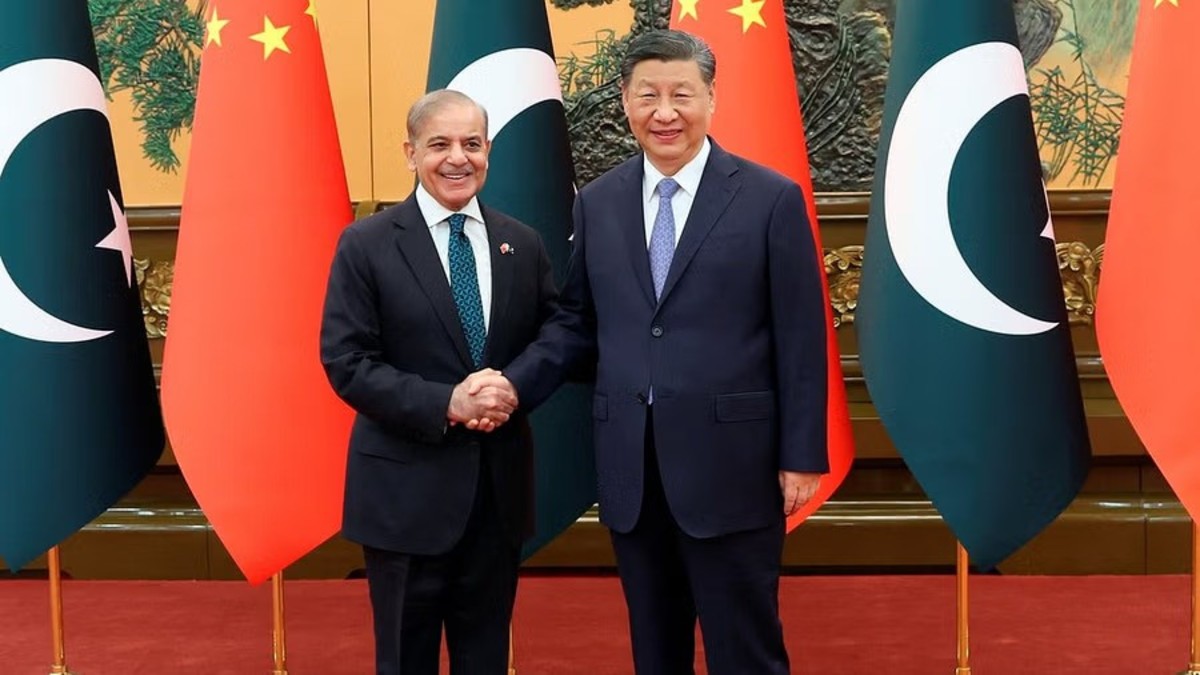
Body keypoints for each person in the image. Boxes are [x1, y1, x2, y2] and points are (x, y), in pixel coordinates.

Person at [469, 30, 830, 674]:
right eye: (648, 96)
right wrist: (514, 384)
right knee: (655, 650)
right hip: (633, 469)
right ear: (626, 104)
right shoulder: (600, 201)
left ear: (711, 99)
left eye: (681, 95)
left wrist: (802, 456)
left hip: (735, 467)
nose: (665, 112)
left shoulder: (770, 198)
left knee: (744, 647)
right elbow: (578, 323)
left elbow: (801, 337)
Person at [319, 89, 557, 675]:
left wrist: (510, 389)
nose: (458, 158)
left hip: (496, 498)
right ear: (410, 153)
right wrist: (447, 402)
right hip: (405, 501)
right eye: (440, 145)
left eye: (471, 144)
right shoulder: (367, 244)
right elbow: (346, 360)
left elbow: (557, 339)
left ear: (488, 151)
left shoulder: (521, 244)